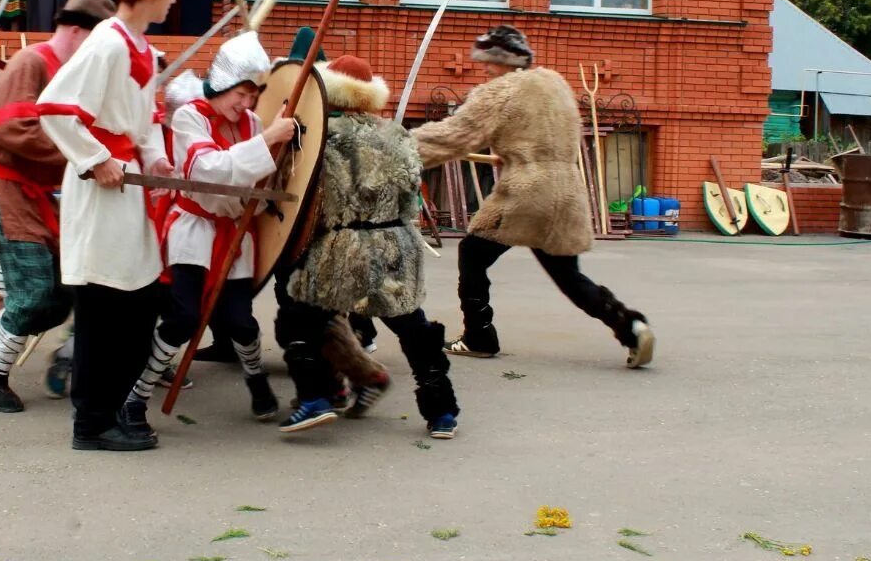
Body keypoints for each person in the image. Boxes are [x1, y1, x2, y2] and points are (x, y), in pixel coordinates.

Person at [411, 25, 655, 369]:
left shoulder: (500, 91)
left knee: (472, 252)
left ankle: (479, 336)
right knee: (568, 276)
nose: (484, 69)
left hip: (527, 191)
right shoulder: (554, 84)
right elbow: (543, 138)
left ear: (505, 62)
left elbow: (454, 135)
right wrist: (513, 154)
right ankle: (631, 326)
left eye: (489, 62)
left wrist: (402, 149)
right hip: (567, 190)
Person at [37, 0, 182, 451]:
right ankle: (91, 423)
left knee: (137, 305)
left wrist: (156, 156)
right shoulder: (108, 41)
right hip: (102, 194)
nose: (174, 1)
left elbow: (140, 120)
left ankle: (114, 410)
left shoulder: (141, 47)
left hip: (132, 190)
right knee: (104, 308)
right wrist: (96, 158)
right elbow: (54, 108)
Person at [118, 32, 298, 439]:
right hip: (194, 228)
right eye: (242, 93)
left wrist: (278, 141)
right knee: (182, 318)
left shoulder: (250, 121)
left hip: (235, 232)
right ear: (222, 84)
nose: (247, 104)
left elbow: (260, 171)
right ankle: (135, 398)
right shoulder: (190, 117)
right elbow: (207, 170)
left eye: (253, 95)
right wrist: (268, 140)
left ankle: (256, 382)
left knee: (242, 323)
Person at [279, 55, 460, 439]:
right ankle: (442, 412)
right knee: (413, 326)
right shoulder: (398, 135)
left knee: (300, 318)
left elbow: (306, 196)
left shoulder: (320, 135)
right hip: (396, 241)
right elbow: (412, 196)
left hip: (341, 244)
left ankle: (315, 399)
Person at [0, 0, 116, 413]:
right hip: (9, 191)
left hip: (42, 197)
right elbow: (12, 131)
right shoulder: (31, 62)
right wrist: (83, 156)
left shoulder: (72, 73)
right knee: (33, 294)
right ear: (73, 29)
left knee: (58, 298)